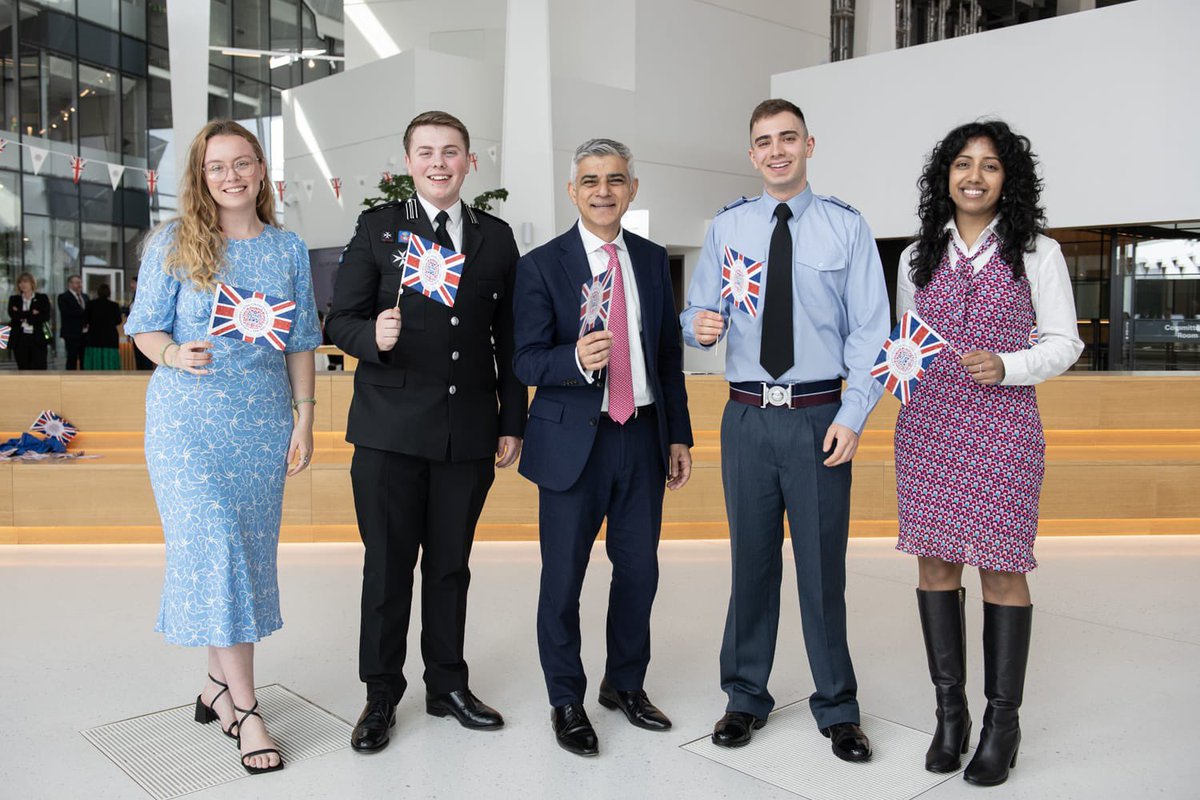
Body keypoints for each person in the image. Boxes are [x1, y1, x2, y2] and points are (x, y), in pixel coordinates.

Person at [680, 99, 889, 762]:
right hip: (745, 417)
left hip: (819, 415)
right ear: (751, 154)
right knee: (752, 566)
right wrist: (697, 326)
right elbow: (697, 310)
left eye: (788, 139)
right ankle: (744, 696)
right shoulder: (728, 227)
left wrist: (853, 415)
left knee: (823, 569)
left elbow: (871, 332)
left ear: (809, 145)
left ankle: (838, 705)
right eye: (764, 142)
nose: (776, 151)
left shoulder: (846, 228)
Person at [325, 110, 527, 753]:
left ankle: (447, 686)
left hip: (465, 433)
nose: (439, 163)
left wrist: (510, 421)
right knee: (386, 569)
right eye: (426, 152)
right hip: (388, 433)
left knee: (450, 570)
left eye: (451, 151)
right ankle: (380, 695)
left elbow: (510, 340)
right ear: (408, 162)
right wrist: (371, 338)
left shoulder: (495, 239)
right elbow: (341, 319)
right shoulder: (379, 229)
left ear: (470, 161)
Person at [124, 119, 321, 776]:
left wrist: (305, 418)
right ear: (200, 177)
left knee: (237, 555)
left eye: (242, 163)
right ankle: (247, 710)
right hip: (186, 422)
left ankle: (214, 689)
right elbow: (144, 329)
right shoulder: (176, 243)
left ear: (262, 170)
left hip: (261, 423)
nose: (230, 176)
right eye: (216, 167)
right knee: (219, 547)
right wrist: (175, 352)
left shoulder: (289, 249)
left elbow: (300, 344)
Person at [894, 120, 1082, 786]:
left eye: (990, 166)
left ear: (1009, 179)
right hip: (928, 427)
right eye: (962, 164)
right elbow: (906, 345)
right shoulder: (917, 254)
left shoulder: (1037, 252)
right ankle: (952, 716)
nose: (974, 176)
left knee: (1002, 569)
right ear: (944, 176)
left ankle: (1004, 723)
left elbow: (1066, 342)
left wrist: (1007, 364)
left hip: (1004, 429)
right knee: (936, 566)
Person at [512, 139, 694, 757]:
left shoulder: (647, 258)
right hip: (571, 443)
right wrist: (571, 359)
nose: (602, 190)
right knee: (563, 579)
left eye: (615, 179)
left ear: (632, 189)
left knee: (639, 572)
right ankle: (566, 699)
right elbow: (523, 358)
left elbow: (667, 355)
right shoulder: (541, 265)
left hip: (641, 434)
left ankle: (625, 685)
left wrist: (678, 436)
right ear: (573, 191)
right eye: (590, 180)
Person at [8, 272, 52, 370]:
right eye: (20, 282)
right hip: (20, 338)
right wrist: (32, 312)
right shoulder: (14, 299)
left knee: (39, 366)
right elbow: (13, 316)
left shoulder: (42, 298)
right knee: (23, 366)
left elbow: (45, 316)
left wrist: (22, 315)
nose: (22, 284)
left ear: (32, 283)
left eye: (25, 282)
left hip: (38, 337)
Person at [83, 283, 122, 370]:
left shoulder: (90, 304)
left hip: (94, 336)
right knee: (110, 360)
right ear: (109, 293)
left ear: (98, 292)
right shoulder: (114, 305)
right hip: (110, 336)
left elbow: (85, 320)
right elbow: (118, 321)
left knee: (95, 360)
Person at [58, 274, 88, 370]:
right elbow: (67, 313)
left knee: (84, 358)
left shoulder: (85, 296)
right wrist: (83, 313)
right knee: (72, 358)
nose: (79, 285)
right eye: (76, 282)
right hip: (71, 333)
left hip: (85, 332)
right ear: (70, 284)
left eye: (80, 282)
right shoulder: (63, 297)